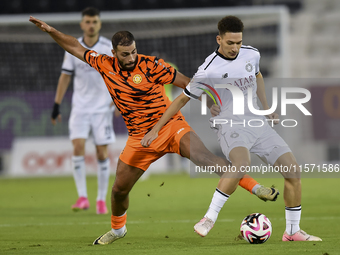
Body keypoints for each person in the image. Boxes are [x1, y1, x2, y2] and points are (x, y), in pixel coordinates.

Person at [29, 16, 278, 245]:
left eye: (134, 52)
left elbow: (187, 82)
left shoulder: (150, 65)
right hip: (140, 139)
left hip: (170, 127)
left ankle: (257, 188)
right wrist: (51, 31)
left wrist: (211, 102)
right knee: (118, 191)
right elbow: (76, 47)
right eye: (125, 54)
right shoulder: (103, 64)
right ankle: (118, 230)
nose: (131, 58)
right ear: (114, 53)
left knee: (207, 160)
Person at [141, 16, 321, 242]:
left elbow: (258, 76)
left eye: (238, 42)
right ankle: (208, 218)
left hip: (257, 124)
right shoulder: (208, 69)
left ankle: (292, 232)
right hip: (229, 125)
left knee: (293, 171)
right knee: (241, 163)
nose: (235, 48)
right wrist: (156, 129)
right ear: (219, 39)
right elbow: (180, 101)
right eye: (230, 43)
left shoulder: (252, 54)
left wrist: (265, 108)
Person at [51, 7, 117, 215]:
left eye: (94, 21)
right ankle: (82, 197)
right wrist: (56, 104)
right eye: (87, 22)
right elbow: (65, 76)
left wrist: (117, 102)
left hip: (102, 108)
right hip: (80, 108)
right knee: (77, 148)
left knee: (101, 152)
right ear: (82, 24)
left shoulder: (108, 48)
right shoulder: (73, 47)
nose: (91, 25)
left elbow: (117, 78)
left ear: (99, 24)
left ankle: (100, 200)